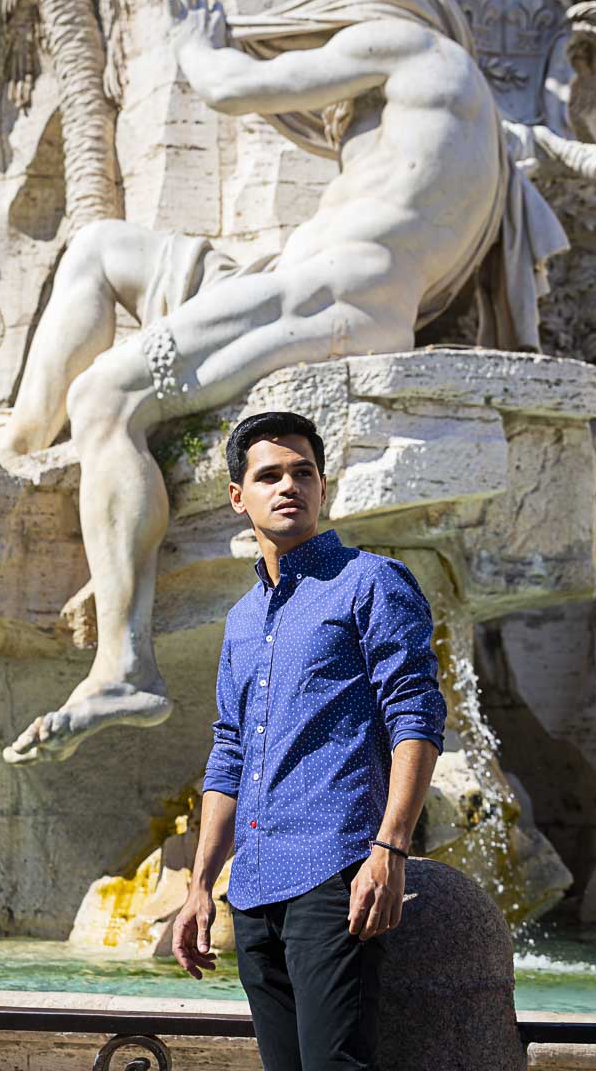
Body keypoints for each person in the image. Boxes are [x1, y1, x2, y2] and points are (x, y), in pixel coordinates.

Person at [0, 0, 552, 765]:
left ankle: (123, 665)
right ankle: (25, 433)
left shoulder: (413, 46)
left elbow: (230, 86)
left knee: (108, 394)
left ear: (384, 5)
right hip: (296, 284)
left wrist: (198, 41)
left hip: (328, 298)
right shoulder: (469, 127)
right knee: (101, 247)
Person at [172, 410, 446, 1071]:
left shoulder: (372, 582)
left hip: (335, 870)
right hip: (256, 888)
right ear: (239, 497)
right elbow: (230, 752)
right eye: (269, 475)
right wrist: (200, 885)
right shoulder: (240, 621)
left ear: (323, 487)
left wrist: (389, 848)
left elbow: (417, 714)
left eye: (303, 472)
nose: (288, 485)